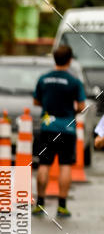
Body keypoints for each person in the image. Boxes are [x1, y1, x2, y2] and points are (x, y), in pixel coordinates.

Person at [33, 45, 86, 217]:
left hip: (47, 126)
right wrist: (72, 111)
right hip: (67, 128)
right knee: (65, 165)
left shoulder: (43, 79)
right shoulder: (74, 81)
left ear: (54, 59)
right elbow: (82, 106)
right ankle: (62, 206)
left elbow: (36, 101)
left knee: (44, 164)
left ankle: (40, 204)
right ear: (70, 60)